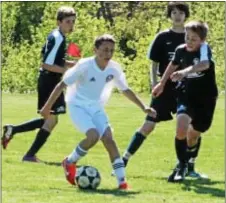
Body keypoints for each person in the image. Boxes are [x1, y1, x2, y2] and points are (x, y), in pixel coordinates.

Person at [40, 34, 156, 189]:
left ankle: (122, 182)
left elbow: (125, 89)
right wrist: (47, 107)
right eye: (105, 50)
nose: (108, 54)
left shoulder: (114, 68)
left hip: (96, 107)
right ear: (95, 50)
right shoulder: (84, 65)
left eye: (111, 51)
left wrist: (143, 107)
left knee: (109, 138)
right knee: (93, 136)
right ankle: (69, 161)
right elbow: (62, 85)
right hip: (77, 105)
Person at [121, 2, 203, 178]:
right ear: (170, 15)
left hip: (186, 89)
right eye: (174, 12)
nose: (177, 16)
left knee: (192, 127)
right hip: (165, 87)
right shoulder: (162, 37)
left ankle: (190, 167)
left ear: (186, 15)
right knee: (148, 125)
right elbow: (154, 63)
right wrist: (154, 83)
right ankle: (124, 160)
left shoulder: (194, 38)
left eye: (181, 12)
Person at [1, 6, 77, 162]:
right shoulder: (58, 38)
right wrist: (66, 71)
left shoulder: (57, 36)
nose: (71, 25)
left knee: (50, 119)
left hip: (50, 80)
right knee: (51, 120)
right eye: (68, 22)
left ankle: (13, 130)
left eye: (73, 22)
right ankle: (29, 155)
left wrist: (73, 64)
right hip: (49, 81)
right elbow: (46, 65)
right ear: (59, 22)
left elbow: (55, 60)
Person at [152, 21, 218, 182]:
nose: (189, 41)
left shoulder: (204, 49)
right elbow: (172, 65)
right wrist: (162, 83)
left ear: (202, 40)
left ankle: (190, 165)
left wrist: (185, 71)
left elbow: (204, 64)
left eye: (193, 39)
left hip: (206, 97)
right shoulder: (180, 50)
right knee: (181, 127)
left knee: (193, 134)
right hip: (186, 93)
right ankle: (181, 166)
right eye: (187, 37)